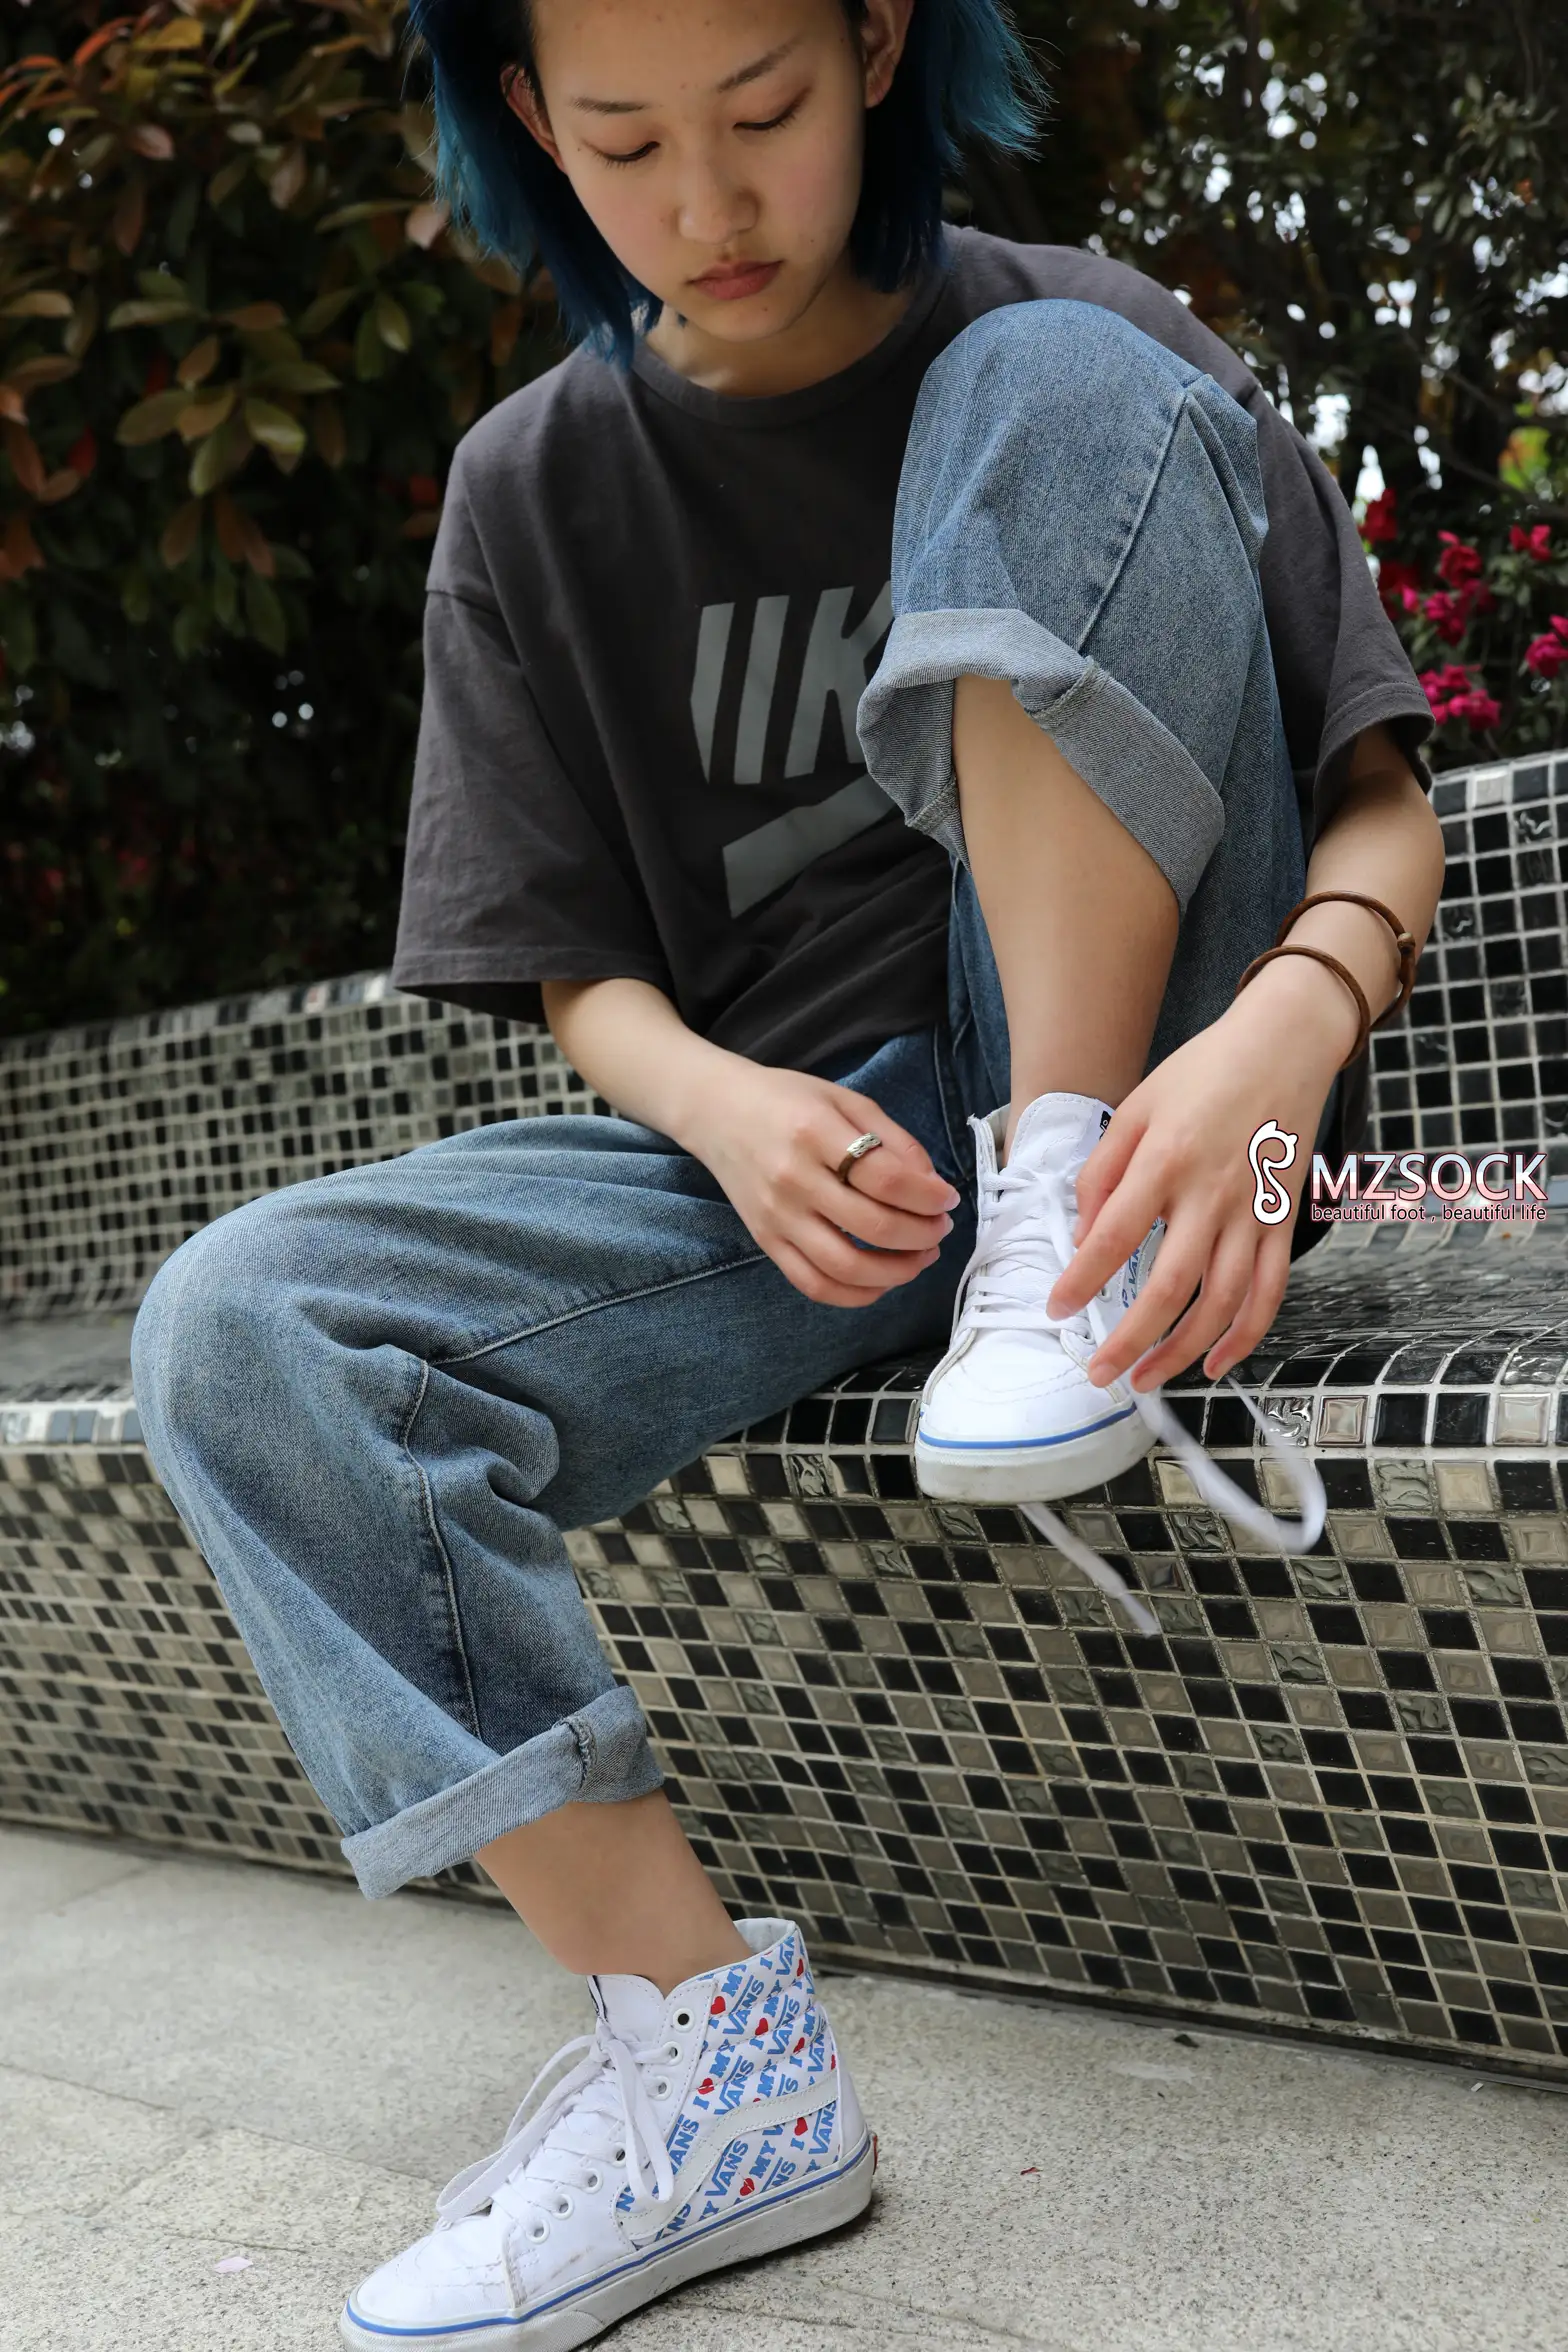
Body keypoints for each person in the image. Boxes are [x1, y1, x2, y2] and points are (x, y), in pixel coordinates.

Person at [129, 0, 1446, 2341]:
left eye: (760, 114)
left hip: (1154, 1082)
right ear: (527, 120)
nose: (708, 204)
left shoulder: (1085, 350)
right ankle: (711, 2072)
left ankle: (1058, 1208)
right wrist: (724, 1112)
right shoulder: (534, 486)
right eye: (626, 140)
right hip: (804, 1152)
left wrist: (1278, 1043)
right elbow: (577, 974)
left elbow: (1377, 804)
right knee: (241, 1331)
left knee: (1037, 379)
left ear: (871, 43)